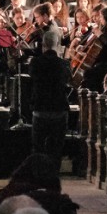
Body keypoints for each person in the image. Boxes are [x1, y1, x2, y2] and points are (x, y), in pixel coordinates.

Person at [29, 29, 71, 159]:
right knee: (57, 148)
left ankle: (39, 169)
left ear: (43, 45)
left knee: (38, 148)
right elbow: (68, 81)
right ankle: (54, 169)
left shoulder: (35, 63)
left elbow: (32, 78)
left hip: (40, 108)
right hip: (59, 109)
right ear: (57, 45)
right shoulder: (64, 64)